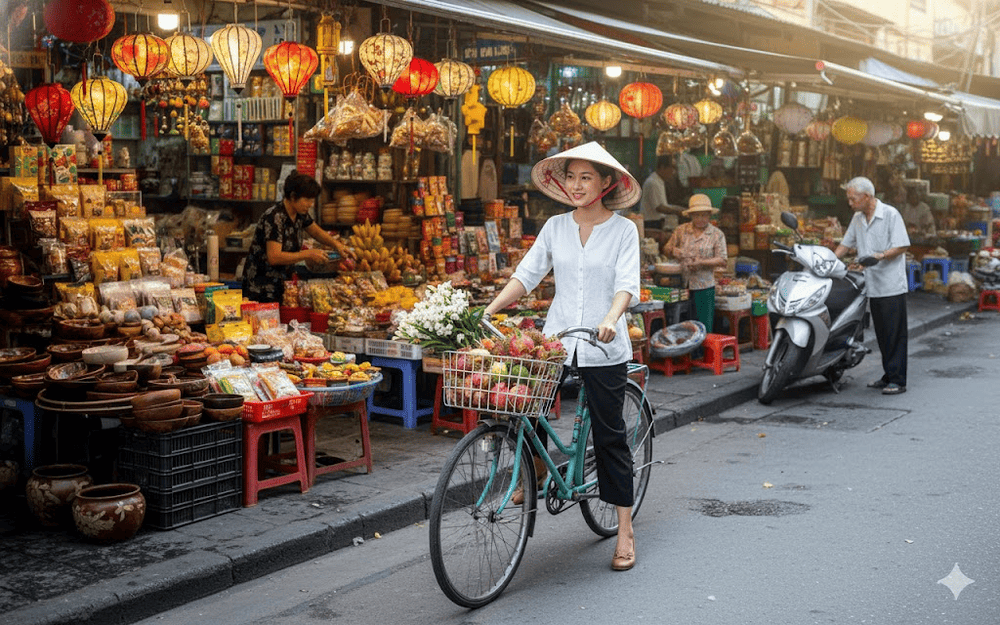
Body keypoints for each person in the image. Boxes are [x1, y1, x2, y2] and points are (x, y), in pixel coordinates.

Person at [484, 141, 641, 572]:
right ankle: (535, 465)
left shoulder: (624, 231)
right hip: (556, 341)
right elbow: (528, 274)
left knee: (610, 437)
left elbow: (627, 284)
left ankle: (625, 530)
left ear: (606, 183)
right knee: (520, 402)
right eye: (570, 176)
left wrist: (612, 316)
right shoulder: (555, 227)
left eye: (585, 177)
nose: (575, 185)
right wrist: (491, 309)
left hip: (603, 343)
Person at [834, 176, 910, 395]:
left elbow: (902, 245)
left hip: (890, 284)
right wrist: (828, 262)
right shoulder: (858, 218)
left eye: (852, 198)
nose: (850, 203)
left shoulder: (890, 214)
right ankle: (888, 375)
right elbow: (845, 245)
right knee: (883, 332)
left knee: (894, 334)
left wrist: (880, 255)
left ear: (867, 196)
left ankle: (898, 380)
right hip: (872, 284)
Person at [242, 172, 341, 303]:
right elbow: (274, 257)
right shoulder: (274, 217)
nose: (310, 204)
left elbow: (316, 232)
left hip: (282, 282)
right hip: (261, 287)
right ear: (293, 197)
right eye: (307, 200)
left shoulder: (300, 213)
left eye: (312, 200)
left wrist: (338, 246)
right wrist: (308, 254)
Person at [662, 194, 728, 332]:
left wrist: (702, 263)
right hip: (681, 284)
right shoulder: (681, 230)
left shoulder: (717, 234)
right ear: (690, 215)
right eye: (696, 215)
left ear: (710, 215)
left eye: (704, 215)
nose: (700, 219)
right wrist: (673, 251)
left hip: (704, 286)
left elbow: (722, 259)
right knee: (684, 326)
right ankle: (687, 353)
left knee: (703, 326)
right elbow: (666, 249)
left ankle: (702, 353)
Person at [640, 154, 687, 234]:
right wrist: (679, 211)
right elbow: (659, 208)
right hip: (651, 224)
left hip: (657, 222)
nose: (673, 171)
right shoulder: (652, 182)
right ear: (662, 167)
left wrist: (681, 209)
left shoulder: (659, 181)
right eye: (672, 168)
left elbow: (664, 204)